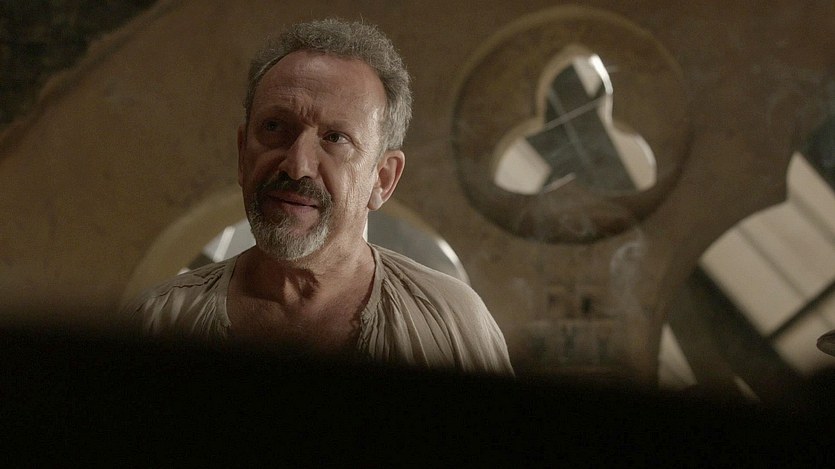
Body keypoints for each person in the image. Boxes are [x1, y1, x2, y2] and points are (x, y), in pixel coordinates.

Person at [124, 18, 513, 375]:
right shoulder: (157, 321)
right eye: (275, 127)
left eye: (335, 138)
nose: (297, 166)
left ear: (382, 178)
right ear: (243, 154)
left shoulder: (450, 324)